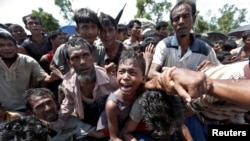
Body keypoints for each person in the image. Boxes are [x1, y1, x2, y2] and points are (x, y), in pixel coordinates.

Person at [148, 1, 221, 140]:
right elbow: (151, 73)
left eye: (186, 16)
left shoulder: (206, 50)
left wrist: (212, 68)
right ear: (172, 24)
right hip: (170, 104)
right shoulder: (164, 45)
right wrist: (174, 79)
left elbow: (220, 76)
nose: (181, 21)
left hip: (196, 107)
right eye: (176, 19)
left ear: (194, 18)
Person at [96, 50, 152, 140]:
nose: (125, 77)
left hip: (129, 128)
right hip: (109, 132)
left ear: (143, 78)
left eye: (132, 72)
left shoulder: (140, 89)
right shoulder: (113, 104)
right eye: (121, 72)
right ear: (116, 74)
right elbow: (114, 137)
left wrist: (148, 60)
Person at [0, 28, 58, 112]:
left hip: (26, 109)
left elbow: (43, 77)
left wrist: (52, 77)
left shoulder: (28, 61)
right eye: (1, 45)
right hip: (4, 111)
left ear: (16, 47)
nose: (6, 48)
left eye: (9, 45)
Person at [23, 88, 104, 141]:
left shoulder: (71, 120)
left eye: (49, 102)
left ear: (57, 103)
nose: (48, 108)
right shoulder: (30, 133)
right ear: (31, 113)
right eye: (40, 106)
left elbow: (98, 134)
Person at [50, 8, 105, 75]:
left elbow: (102, 70)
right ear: (77, 29)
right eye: (85, 27)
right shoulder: (64, 48)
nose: (90, 32)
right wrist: (63, 77)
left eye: (93, 27)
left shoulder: (100, 50)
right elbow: (52, 66)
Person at [121, 90, 185, 141]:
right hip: (142, 133)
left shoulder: (175, 107)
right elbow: (125, 133)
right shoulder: (139, 107)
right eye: (170, 129)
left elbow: (182, 127)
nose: (171, 132)